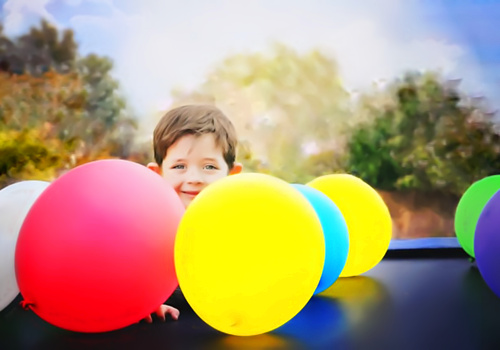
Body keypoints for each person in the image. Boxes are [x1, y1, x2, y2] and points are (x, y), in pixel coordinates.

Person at [144, 104, 242, 322]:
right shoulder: (145, 230)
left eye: (209, 167)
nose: (194, 178)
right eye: (179, 167)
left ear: (232, 175)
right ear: (156, 173)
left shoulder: (238, 229)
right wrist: (144, 302)